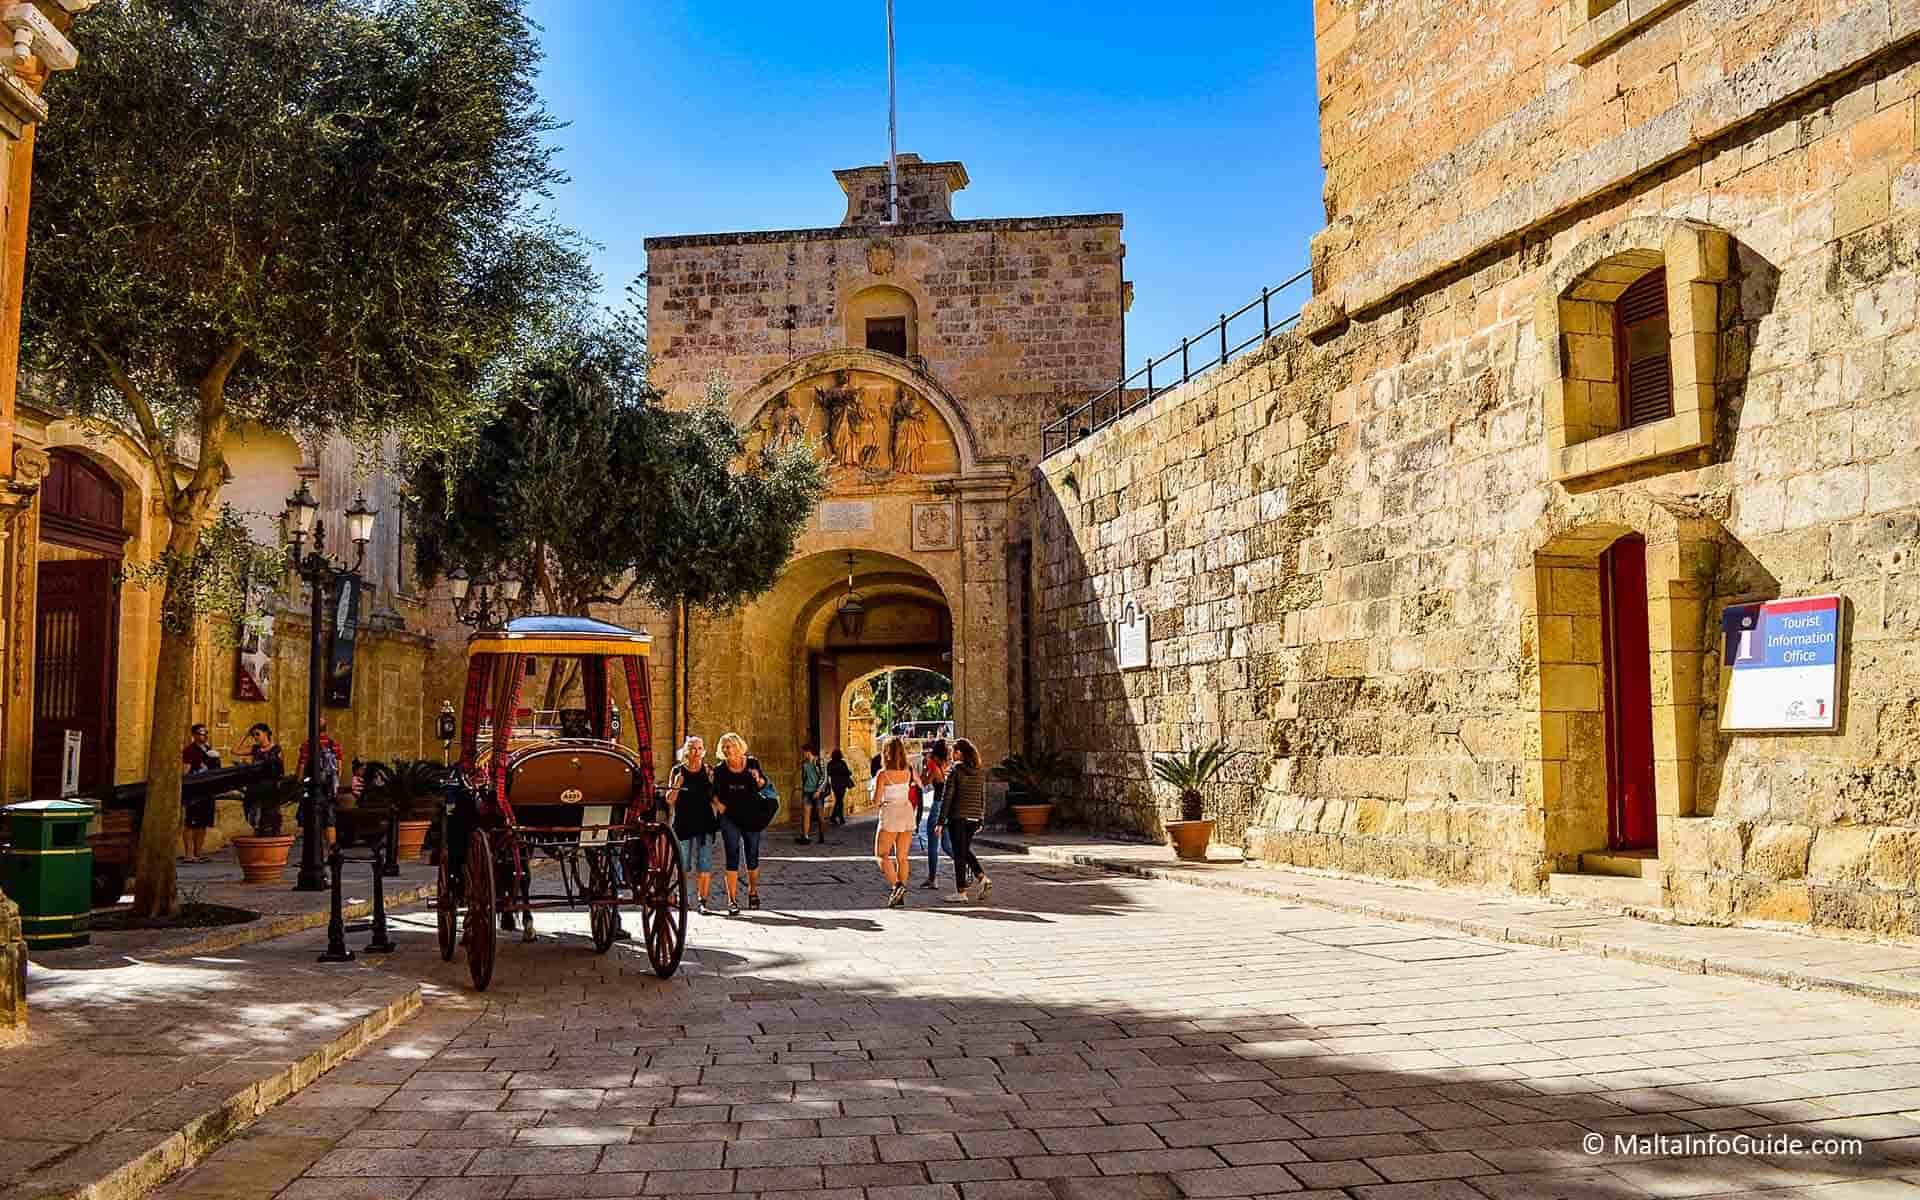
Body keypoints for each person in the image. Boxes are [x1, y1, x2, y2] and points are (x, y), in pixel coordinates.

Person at [712, 732, 777, 915]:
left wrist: (758, 779)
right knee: (732, 855)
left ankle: (752, 890)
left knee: (752, 855)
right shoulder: (720, 770)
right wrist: (719, 805)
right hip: (729, 817)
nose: (726, 749)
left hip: (751, 815)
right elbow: (713, 792)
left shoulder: (752, 763)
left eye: (729, 746)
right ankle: (732, 900)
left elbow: (763, 785)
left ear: (738, 746)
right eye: (723, 746)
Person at [665, 736, 720, 916]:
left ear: (703, 751)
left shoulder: (707, 770)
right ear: (686, 752)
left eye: (699, 748)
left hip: (705, 823)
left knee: (704, 864)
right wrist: (677, 785)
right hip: (683, 823)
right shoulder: (677, 771)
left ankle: (702, 902)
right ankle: (683, 898)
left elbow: (714, 795)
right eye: (693, 748)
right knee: (683, 865)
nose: (696, 752)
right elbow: (669, 800)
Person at [943, 738, 992, 902]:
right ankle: (982, 878)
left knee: (959, 854)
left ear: (959, 753)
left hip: (958, 817)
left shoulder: (955, 770)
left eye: (953, 751)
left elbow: (947, 797)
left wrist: (940, 821)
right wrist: (981, 818)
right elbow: (982, 797)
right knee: (964, 850)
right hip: (974, 817)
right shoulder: (979, 771)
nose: (951, 754)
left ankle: (961, 892)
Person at [872, 736, 917, 908]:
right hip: (906, 811)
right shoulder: (908, 771)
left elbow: (876, 801)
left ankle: (896, 886)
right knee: (902, 857)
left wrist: (878, 799)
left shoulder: (883, 775)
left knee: (882, 854)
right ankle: (900, 894)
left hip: (891, 812)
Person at [297, 718, 344, 847]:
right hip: (329, 787)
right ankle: (331, 852)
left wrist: (297, 783)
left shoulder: (308, 745)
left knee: (306, 817)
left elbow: (302, 766)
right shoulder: (335, 744)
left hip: (311, 786)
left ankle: (311, 852)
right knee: (329, 819)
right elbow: (339, 769)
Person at [234, 723, 283, 832]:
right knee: (253, 812)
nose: (255, 737)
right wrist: (246, 735)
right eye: (253, 735)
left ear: (266, 733)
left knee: (269, 813)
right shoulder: (255, 749)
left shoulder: (276, 749)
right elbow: (235, 751)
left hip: (269, 786)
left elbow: (279, 769)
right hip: (255, 786)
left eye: (257, 734)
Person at [180, 724, 219, 862]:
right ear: (194, 735)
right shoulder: (190, 750)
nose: (204, 735)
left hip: (207, 791)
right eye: (201, 733)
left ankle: (198, 853)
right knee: (191, 823)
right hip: (194, 792)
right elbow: (185, 771)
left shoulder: (209, 750)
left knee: (203, 823)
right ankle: (189, 854)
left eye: (206, 733)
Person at [919, 739, 952, 890]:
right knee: (946, 845)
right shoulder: (948, 765)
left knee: (933, 844)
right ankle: (967, 863)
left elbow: (925, 782)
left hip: (937, 806)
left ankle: (932, 879)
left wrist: (924, 770)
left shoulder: (933, 764)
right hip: (948, 808)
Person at [796, 744, 828, 846]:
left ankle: (821, 835)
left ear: (808, 751)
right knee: (806, 814)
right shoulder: (804, 763)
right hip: (807, 791)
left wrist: (818, 790)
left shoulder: (819, 761)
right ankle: (805, 836)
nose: (803, 754)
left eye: (804, 752)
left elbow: (824, 776)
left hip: (818, 792)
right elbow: (804, 777)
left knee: (820, 815)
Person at [827, 748, 853, 827]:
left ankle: (835, 817)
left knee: (839, 800)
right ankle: (838, 817)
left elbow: (829, 773)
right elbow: (848, 772)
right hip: (842, 784)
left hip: (835, 784)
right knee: (840, 800)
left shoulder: (830, 763)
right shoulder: (842, 763)